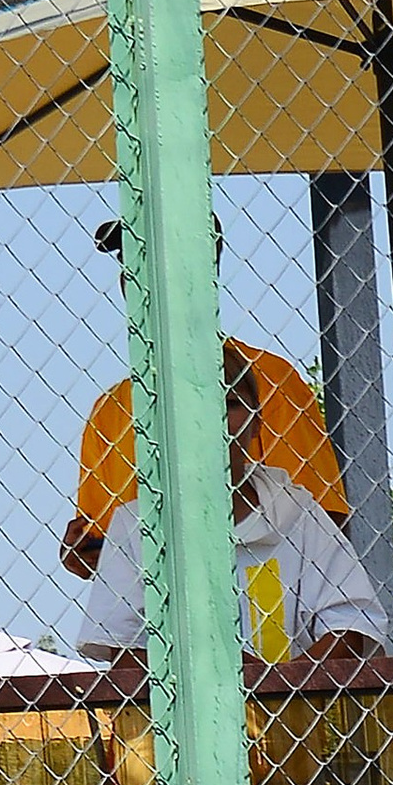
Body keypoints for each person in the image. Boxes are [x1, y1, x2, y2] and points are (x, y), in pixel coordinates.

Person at [60, 211, 347, 593]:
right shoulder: (111, 409)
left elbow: (325, 521)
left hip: (259, 598)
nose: (136, 279)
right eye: (129, 266)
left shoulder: (268, 380)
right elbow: (100, 543)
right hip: (154, 614)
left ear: (203, 274)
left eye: (155, 265)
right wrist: (84, 553)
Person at [79, 346, 387, 671]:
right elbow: (124, 648)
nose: (215, 418)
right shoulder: (136, 523)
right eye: (195, 404)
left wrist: (280, 689)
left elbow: (351, 624)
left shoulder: (299, 513)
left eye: (230, 403)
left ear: (256, 423)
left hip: (297, 710)